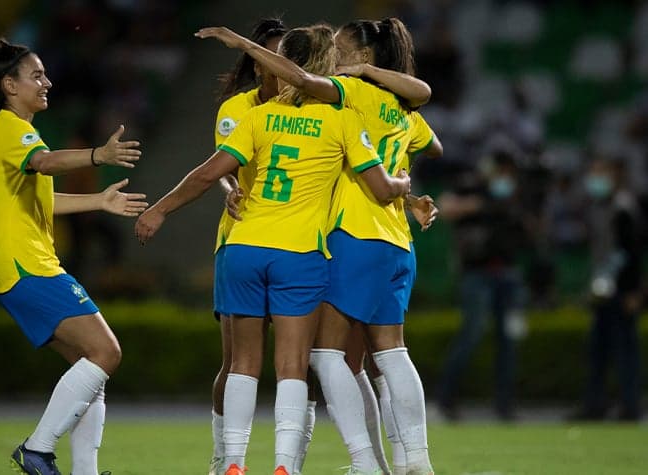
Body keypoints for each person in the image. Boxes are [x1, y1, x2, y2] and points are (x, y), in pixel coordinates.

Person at [137, 25, 410, 475]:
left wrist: (159, 211)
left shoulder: (257, 118)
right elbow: (380, 186)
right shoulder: (342, 117)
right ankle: (285, 466)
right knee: (291, 367)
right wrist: (406, 185)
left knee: (241, 363)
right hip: (298, 253)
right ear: (324, 67)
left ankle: (233, 463)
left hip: (242, 247)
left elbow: (207, 175)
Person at [198, 18, 440, 475]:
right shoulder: (399, 106)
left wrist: (240, 43)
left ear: (363, 59)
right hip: (392, 239)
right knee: (382, 354)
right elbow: (429, 144)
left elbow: (306, 83)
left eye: (343, 50)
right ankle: (411, 460)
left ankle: (362, 461)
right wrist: (407, 194)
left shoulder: (346, 97)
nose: (336, 57)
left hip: (341, 236)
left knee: (322, 357)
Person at [0, 38, 147, 475]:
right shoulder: (11, 128)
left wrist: (98, 202)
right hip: (27, 265)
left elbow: (42, 196)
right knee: (107, 353)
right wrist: (98, 155)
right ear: (9, 84)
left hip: (20, 265)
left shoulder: (10, 133)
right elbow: (43, 164)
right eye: (36, 75)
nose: (47, 82)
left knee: (90, 368)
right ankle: (38, 449)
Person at [207, 18, 289, 475]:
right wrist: (230, 189)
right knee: (236, 360)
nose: (280, 65)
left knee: (300, 361)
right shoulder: (237, 108)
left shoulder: (310, 108)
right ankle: (223, 455)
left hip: (296, 243)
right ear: (256, 67)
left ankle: (288, 460)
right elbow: (222, 165)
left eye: (288, 57)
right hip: (240, 238)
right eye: (270, 57)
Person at [436, 149, 529, 421]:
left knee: (509, 340)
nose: (505, 177)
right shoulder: (472, 186)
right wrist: (482, 203)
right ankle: (446, 399)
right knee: (471, 335)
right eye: (501, 171)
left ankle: (505, 405)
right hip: (477, 274)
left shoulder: (518, 194)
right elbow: (445, 206)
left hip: (508, 273)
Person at [571, 157, 643, 421]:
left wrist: (634, 291)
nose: (596, 179)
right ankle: (594, 406)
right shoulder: (597, 208)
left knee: (625, 351)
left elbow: (631, 252)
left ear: (614, 176)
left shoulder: (624, 208)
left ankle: (630, 407)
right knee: (598, 351)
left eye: (601, 173)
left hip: (621, 290)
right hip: (602, 288)